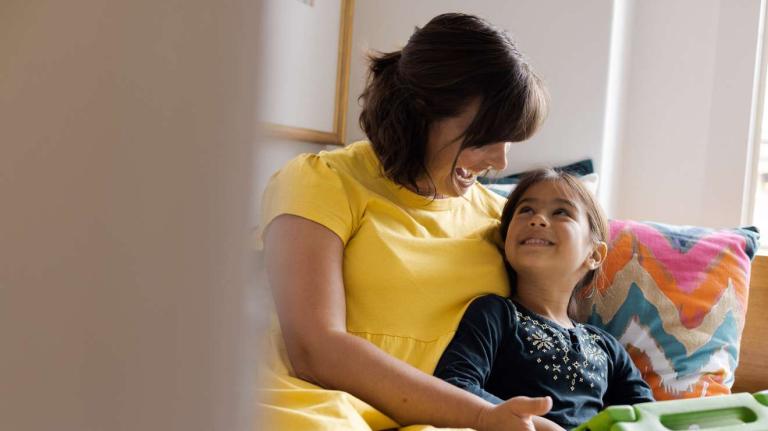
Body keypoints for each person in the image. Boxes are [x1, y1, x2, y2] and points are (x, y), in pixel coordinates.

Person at [258, 13, 550, 431]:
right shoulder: (322, 181)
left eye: (510, 141)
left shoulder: (500, 218)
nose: (501, 162)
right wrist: (482, 415)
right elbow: (314, 350)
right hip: (320, 404)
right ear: (422, 113)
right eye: (485, 139)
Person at [433, 169, 655, 430]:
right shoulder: (495, 314)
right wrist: (535, 424)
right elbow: (453, 386)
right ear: (506, 241)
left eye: (561, 212)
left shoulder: (606, 347)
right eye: (526, 210)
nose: (537, 219)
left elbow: (648, 418)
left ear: (594, 254)